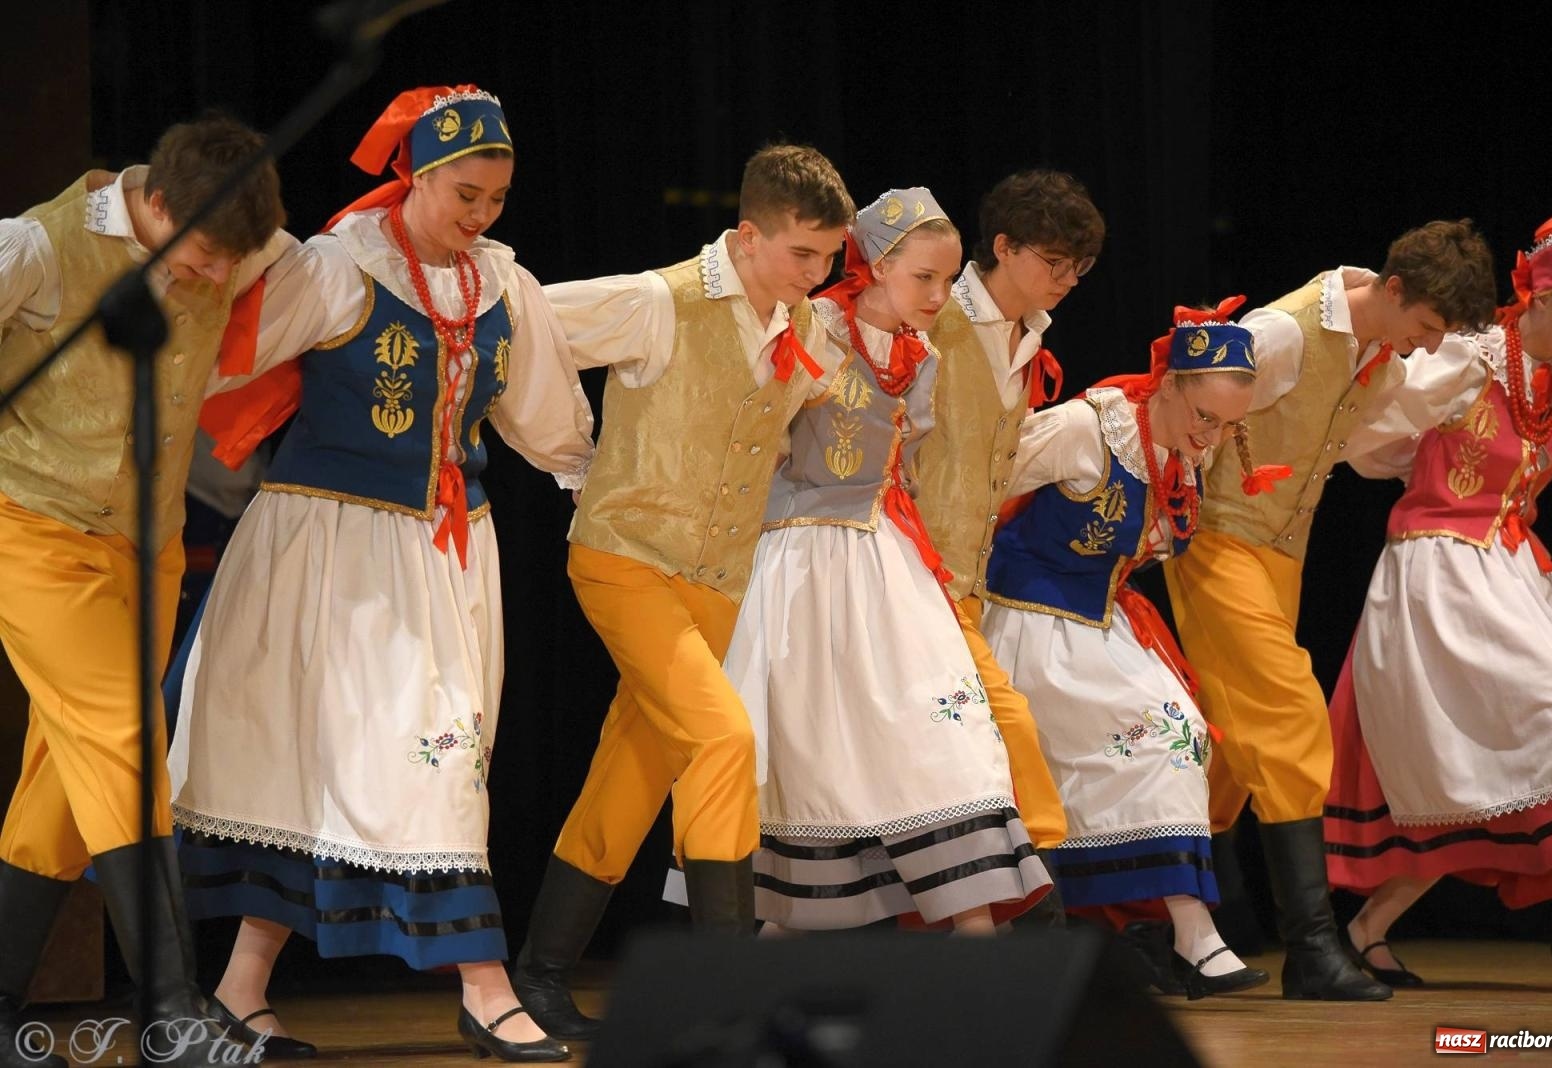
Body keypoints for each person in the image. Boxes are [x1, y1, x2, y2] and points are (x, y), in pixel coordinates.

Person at [169, 86, 588, 1063]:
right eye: (465, 195)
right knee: (321, 764)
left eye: (495, 198)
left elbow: (547, 422)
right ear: (421, 176)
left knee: (427, 759)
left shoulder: (501, 285)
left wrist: (593, 495)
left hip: (445, 555)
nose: (480, 217)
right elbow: (223, 359)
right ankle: (483, 986)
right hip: (326, 548)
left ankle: (241, 987)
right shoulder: (342, 267)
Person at [508, 145, 853, 1039]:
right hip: (626, 559)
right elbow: (524, 324)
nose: (816, 276)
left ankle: (540, 973)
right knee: (722, 737)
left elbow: (807, 415)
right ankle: (729, 990)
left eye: (828, 260)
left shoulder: (806, 327)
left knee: (632, 769)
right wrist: (571, 455)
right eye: (801, 256)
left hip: (716, 579)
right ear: (748, 236)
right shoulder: (659, 301)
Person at [0, 114, 287, 1068]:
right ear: (155, 203)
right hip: (33, 528)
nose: (214, 277)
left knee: (65, 781)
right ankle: (172, 1012)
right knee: (127, 745)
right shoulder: (38, 247)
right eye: (202, 255)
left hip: (148, 543)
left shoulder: (239, 242)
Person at [1162, 220, 1497, 1000]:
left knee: (1231, 750)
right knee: (1290, 716)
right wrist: (1169, 511)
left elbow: (1358, 442)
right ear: (1393, 289)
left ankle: (1163, 926)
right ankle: (1311, 947)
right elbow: (1193, 406)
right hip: (1220, 540)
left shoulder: (1377, 354)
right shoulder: (1284, 330)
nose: (1422, 345)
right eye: (1424, 328)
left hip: (1283, 552)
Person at [730, 188, 1053, 933]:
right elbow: (758, 438)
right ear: (875, 266)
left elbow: (903, 460)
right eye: (925, 280)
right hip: (803, 560)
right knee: (817, 745)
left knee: (941, 730)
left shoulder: (922, 356)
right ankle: (780, 926)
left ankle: (973, 927)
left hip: (886, 560)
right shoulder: (809, 332)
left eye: (947, 280)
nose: (941, 296)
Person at [1324, 217, 1552, 982]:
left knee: (1479, 770)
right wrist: (1425, 461)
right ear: (1541, 297)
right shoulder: (1467, 357)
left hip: (1514, 571)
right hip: (1440, 568)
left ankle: (1369, 927)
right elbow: (1364, 441)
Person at [981, 299, 1275, 997]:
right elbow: (981, 485)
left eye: (1228, 426)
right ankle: (1184, 937)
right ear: (1168, 383)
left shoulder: (1179, 449)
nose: (1211, 437)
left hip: (1099, 624)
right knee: (1159, 740)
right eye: (1205, 417)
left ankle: (1176, 934)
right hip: (1033, 624)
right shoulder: (1089, 428)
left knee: (1183, 740)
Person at [917, 171, 1106, 875]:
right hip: (906, 568)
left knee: (950, 746)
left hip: (961, 575)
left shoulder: (1028, 337)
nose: (1068, 279)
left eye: (1078, 267)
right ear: (1003, 246)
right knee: (1002, 728)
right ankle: (1040, 919)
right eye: (1055, 263)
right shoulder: (936, 319)